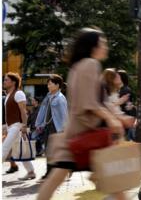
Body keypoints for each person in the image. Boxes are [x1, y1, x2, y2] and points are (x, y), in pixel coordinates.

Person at [37, 28, 126, 200]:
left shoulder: (76, 67)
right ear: (93, 46)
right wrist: (112, 119)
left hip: (76, 134)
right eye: (103, 43)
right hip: (86, 137)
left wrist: (117, 117)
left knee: (55, 179)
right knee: (115, 183)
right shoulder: (91, 64)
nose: (106, 47)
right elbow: (89, 103)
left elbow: (90, 101)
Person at [3, 72, 36, 180]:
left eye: (6, 80)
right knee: (19, 150)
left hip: (17, 125)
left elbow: (23, 111)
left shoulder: (19, 93)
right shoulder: (8, 95)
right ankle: (31, 172)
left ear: (13, 82)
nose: (4, 81)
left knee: (5, 148)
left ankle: (30, 171)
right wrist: (6, 128)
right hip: (11, 126)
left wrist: (25, 126)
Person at [35, 74, 68, 180]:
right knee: (48, 150)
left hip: (57, 127)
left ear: (57, 85)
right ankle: (51, 171)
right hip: (48, 126)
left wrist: (64, 130)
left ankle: (55, 172)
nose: (48, 86)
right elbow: (42, 111)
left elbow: (64, 115)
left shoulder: (60, 98)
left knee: (53, 150)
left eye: (50, 84)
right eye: (48, 84)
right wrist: (39, 124)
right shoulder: (48, 96)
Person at [117, 69, 136, 141]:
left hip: (124, 120)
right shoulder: (119, 89)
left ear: (121, 78)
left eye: (117, 76)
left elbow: (128, 106)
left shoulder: (126, 90)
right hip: (121, 119)